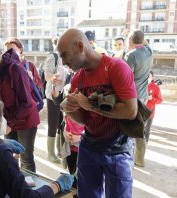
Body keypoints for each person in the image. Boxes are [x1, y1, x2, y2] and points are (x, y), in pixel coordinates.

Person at [58, 28, 137, 198]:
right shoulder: (78, 78)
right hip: (89, 147)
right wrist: (70, 109)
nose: (63, 62)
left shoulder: (116, 67)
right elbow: (85, 119)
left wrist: (90, 105)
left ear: (80, 47)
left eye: (65, 55)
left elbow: (131, 111)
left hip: (118, 148)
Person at [0, 34, 40, 172]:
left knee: (25, 157)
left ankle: (29, 191)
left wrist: (10, 124)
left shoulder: (16, 68)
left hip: (26, 118)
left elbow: (27, 103)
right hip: (8, 119)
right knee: (8, 155)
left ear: (0, 51)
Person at [124, 29, 153, 167]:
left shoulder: (131, 55)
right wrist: (136, 37)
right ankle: (140, 159)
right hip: (144, 97)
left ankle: (127, 157)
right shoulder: (148, 51)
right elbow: (144, 42)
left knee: (128, 127)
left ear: (130, 39)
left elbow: (125, 77)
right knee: (140, 126)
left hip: (132, 97)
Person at [42, 37, 68, 163]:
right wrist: (53, 78)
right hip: (53, 95)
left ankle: (59, 149)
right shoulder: (53, 56)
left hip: (64, 95)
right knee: (53, 124)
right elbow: (47, 75)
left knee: (61, 123)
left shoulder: (68, 56)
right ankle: (51, 153)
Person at [145, 71, 163, 142]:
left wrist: (152, 99)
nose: (147, 78)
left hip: (149, 113)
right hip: (139, 112)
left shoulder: (155, 87)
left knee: (147, 130)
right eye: (146, 76)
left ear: (152, 77)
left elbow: (160, 100)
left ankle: (145, 143)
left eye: (149, 76)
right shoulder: (139, 84)